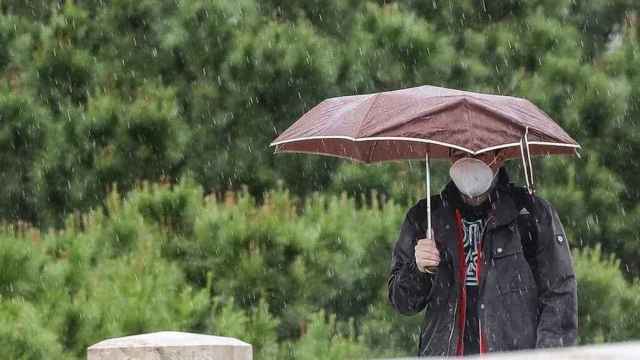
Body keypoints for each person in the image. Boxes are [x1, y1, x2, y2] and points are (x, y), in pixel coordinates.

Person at [387, 149, 577, 356]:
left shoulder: (530, 214)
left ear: (501, 156)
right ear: (449, 156)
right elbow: (402, 302)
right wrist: (418, 269)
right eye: (459, 153)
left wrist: (547, 355)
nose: (468, 162)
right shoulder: (426, 216)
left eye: (480, 153)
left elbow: (559, 294)